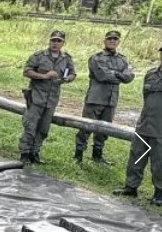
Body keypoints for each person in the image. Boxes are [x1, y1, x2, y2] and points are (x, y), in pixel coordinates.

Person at [74, 31, 135, 164]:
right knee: (86, 126)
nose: (112, 41)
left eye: (115, 39)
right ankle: (78, 154)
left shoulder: (123, 59)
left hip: (111, 100)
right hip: (96, 98)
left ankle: (97, 155)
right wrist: (120, 76)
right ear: (104, 41)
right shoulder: (97, 58)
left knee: (105, 129)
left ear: (118, 42)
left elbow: (130, 77)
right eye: (109, 39)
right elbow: (102, 76)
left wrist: (115, 74)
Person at [19, 31, 77, 165]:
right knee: (30, 126)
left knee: (44, 129)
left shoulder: (66, 58)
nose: (55, 43)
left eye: (58, 41)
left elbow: (73, 73)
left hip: (51, 100)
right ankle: (25, 154)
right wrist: (44, 76)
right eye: (53, 40)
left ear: (63, 43)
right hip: (36, 97)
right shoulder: (39, 56)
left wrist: (66, 79)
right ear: (49, 41)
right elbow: (27, 71)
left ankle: (35, 153)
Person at [113, 47, 162, 206]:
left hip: (160, 129)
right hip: (144, 124)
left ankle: (159, 192)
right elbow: (145, 96)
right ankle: (131, 187)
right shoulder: (151, 74)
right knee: (137, 156)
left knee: (159, 161)